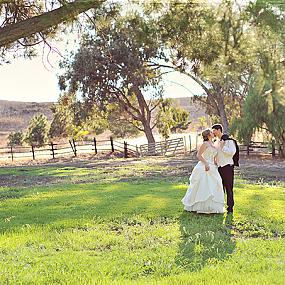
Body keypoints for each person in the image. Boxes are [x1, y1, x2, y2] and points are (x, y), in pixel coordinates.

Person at [181, 128, 224, 214]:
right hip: (204, 166)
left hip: (213, 167)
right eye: (211, 132)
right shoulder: (205, 144)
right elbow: (199, 155)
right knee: (203, 185)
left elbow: (214, 156)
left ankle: (212, 207)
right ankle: (199, 206)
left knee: (216, 183)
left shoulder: (213, 144)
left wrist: (216, 164)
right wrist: (206, 163)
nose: (213, 133)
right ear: (208, 135)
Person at [212, 124, 236, 214]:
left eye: (214, 130)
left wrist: (223, 147)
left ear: (218, 130)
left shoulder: (229, 141)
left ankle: (230, 208)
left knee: (229, 188)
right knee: (220, 188)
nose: (213, 132)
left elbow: (232, 152)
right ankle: (220, 207)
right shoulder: (216, 142)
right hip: (219, 168)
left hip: (228, 168)